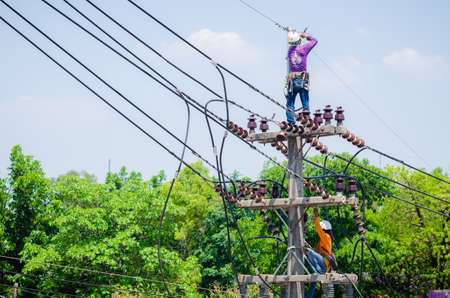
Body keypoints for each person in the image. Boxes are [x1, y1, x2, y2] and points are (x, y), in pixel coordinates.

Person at [285, 30, 318, 124]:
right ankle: (307, 120)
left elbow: (294, 48)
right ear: (298, 40)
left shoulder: (289, 51)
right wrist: (306, 35)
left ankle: (291, 123)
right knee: (305, 103)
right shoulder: (303, 49)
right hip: (303, 80)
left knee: (290, 104)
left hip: (292, 81)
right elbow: (315, 41)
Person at [306, 208, 338, 298]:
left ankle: (318, 271)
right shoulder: (322, 241)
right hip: (323, 264)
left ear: (324, 229)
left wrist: (316, 217)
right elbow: (317, 252)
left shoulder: (326, 237)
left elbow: (319, 230)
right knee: (313, 283)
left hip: (324, 264)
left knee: (310, 253)